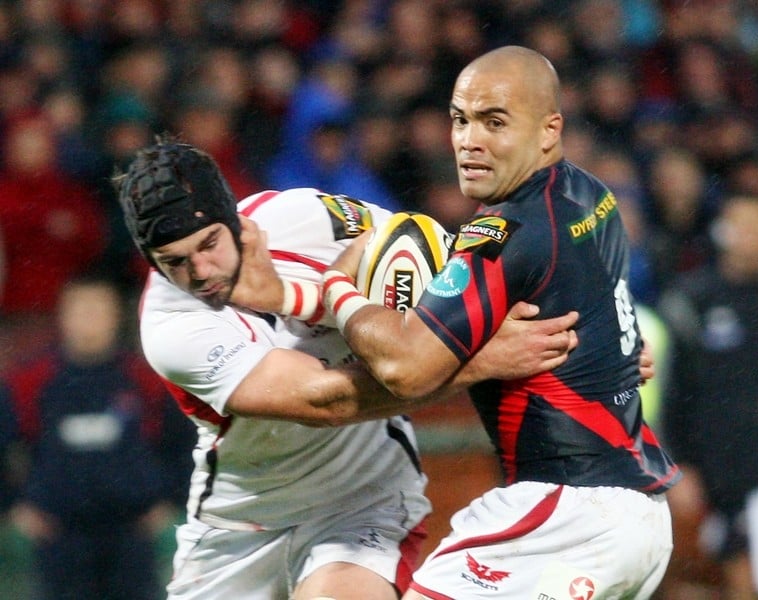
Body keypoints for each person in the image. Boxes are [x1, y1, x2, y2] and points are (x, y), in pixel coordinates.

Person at [114, 135, 583, 600]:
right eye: (173, 262)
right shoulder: (169, 325)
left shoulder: (304, 217)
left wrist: (591, 342)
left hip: (362, 504)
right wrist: (479, 361)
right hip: (238, 527)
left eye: (209, 244)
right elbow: (325, 399)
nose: (199, 272)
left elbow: (436, 258)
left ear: (232, 218)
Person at [314, 46, 680, 599]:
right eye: (460, 120)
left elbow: (404, 368)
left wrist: (337, 290)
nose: (469, 140)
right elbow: (616, 332)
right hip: (638, 515)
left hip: (565, 512)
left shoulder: (504, 235)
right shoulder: (592, 195)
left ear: (549, 130)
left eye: (494, 122)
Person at [0, 272, 195, 600]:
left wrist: (171, 501)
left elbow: (186, 444)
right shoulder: (29, 382)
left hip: (133, 535)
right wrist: (13, 506)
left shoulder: (146, 380)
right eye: (81, 309)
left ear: (116, 316)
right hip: (57, 538)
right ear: (62, 315)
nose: (89, 320)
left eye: (98, 310)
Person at [658, 193, 758, 600]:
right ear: (721, 233)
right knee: (742, 581)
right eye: (739, 226)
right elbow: (677, 390)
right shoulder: (692, 299)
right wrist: (679, 462)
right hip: (726, 471)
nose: (748, 236)